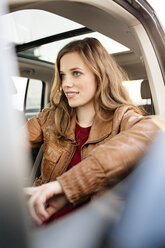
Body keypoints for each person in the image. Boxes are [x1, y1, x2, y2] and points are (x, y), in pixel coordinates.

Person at [24, 37, 163, 226]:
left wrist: (67, 185)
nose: (66, 83)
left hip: (91, 232)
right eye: (63, 75)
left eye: (76, 73)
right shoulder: (50, 118)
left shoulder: (122, 117)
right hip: (37, 225)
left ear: (100, 75)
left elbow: (156, 129)